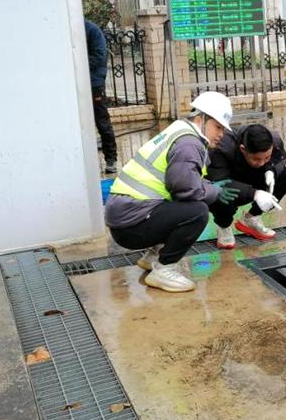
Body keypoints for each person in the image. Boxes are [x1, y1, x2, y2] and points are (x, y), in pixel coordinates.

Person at [104, 91, 239, 292]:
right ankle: (164, 269)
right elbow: (186, 190)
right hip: (131, 225)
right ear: (201, 120)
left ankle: (153, 257)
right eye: (217, 126)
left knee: (181, 207)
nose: (221, 134)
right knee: (197, 212)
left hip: (125, 216)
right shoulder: (189, 144)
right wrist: (214, 191)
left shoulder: (179, 130)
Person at [208, 124, 286, 248]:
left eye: (266, 157)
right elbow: (219, 181)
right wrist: (255, 193)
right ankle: (224, 225)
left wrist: (271, 170)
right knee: (221, 193)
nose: (262, 162)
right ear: (243, 149)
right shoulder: (221, 147)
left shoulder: (274, 140)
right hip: (229, 184)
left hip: (249, 178)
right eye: (256, 159)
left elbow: (279, 158)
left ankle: (251, 219)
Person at [84, 19, 118, 173]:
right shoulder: (68, 31)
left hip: (93, 83)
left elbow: (99, 56)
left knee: (101, 121)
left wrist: (77, 63)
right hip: (75, 83)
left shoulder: (92, 30)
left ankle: (111, 159)